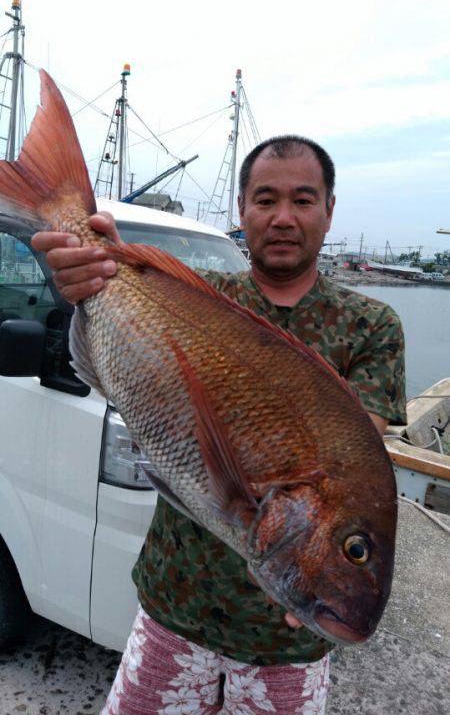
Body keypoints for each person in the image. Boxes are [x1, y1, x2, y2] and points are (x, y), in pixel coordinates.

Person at [32, 135, 406, 715]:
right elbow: (127, 356)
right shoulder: (202, 292)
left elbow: (356, 460)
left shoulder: (371, 326)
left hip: (287, 647)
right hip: (174, 606)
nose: (283, 217)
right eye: (266, 200)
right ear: (242, 209)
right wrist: (90, 269)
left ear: (330, 210)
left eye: (303, 200)